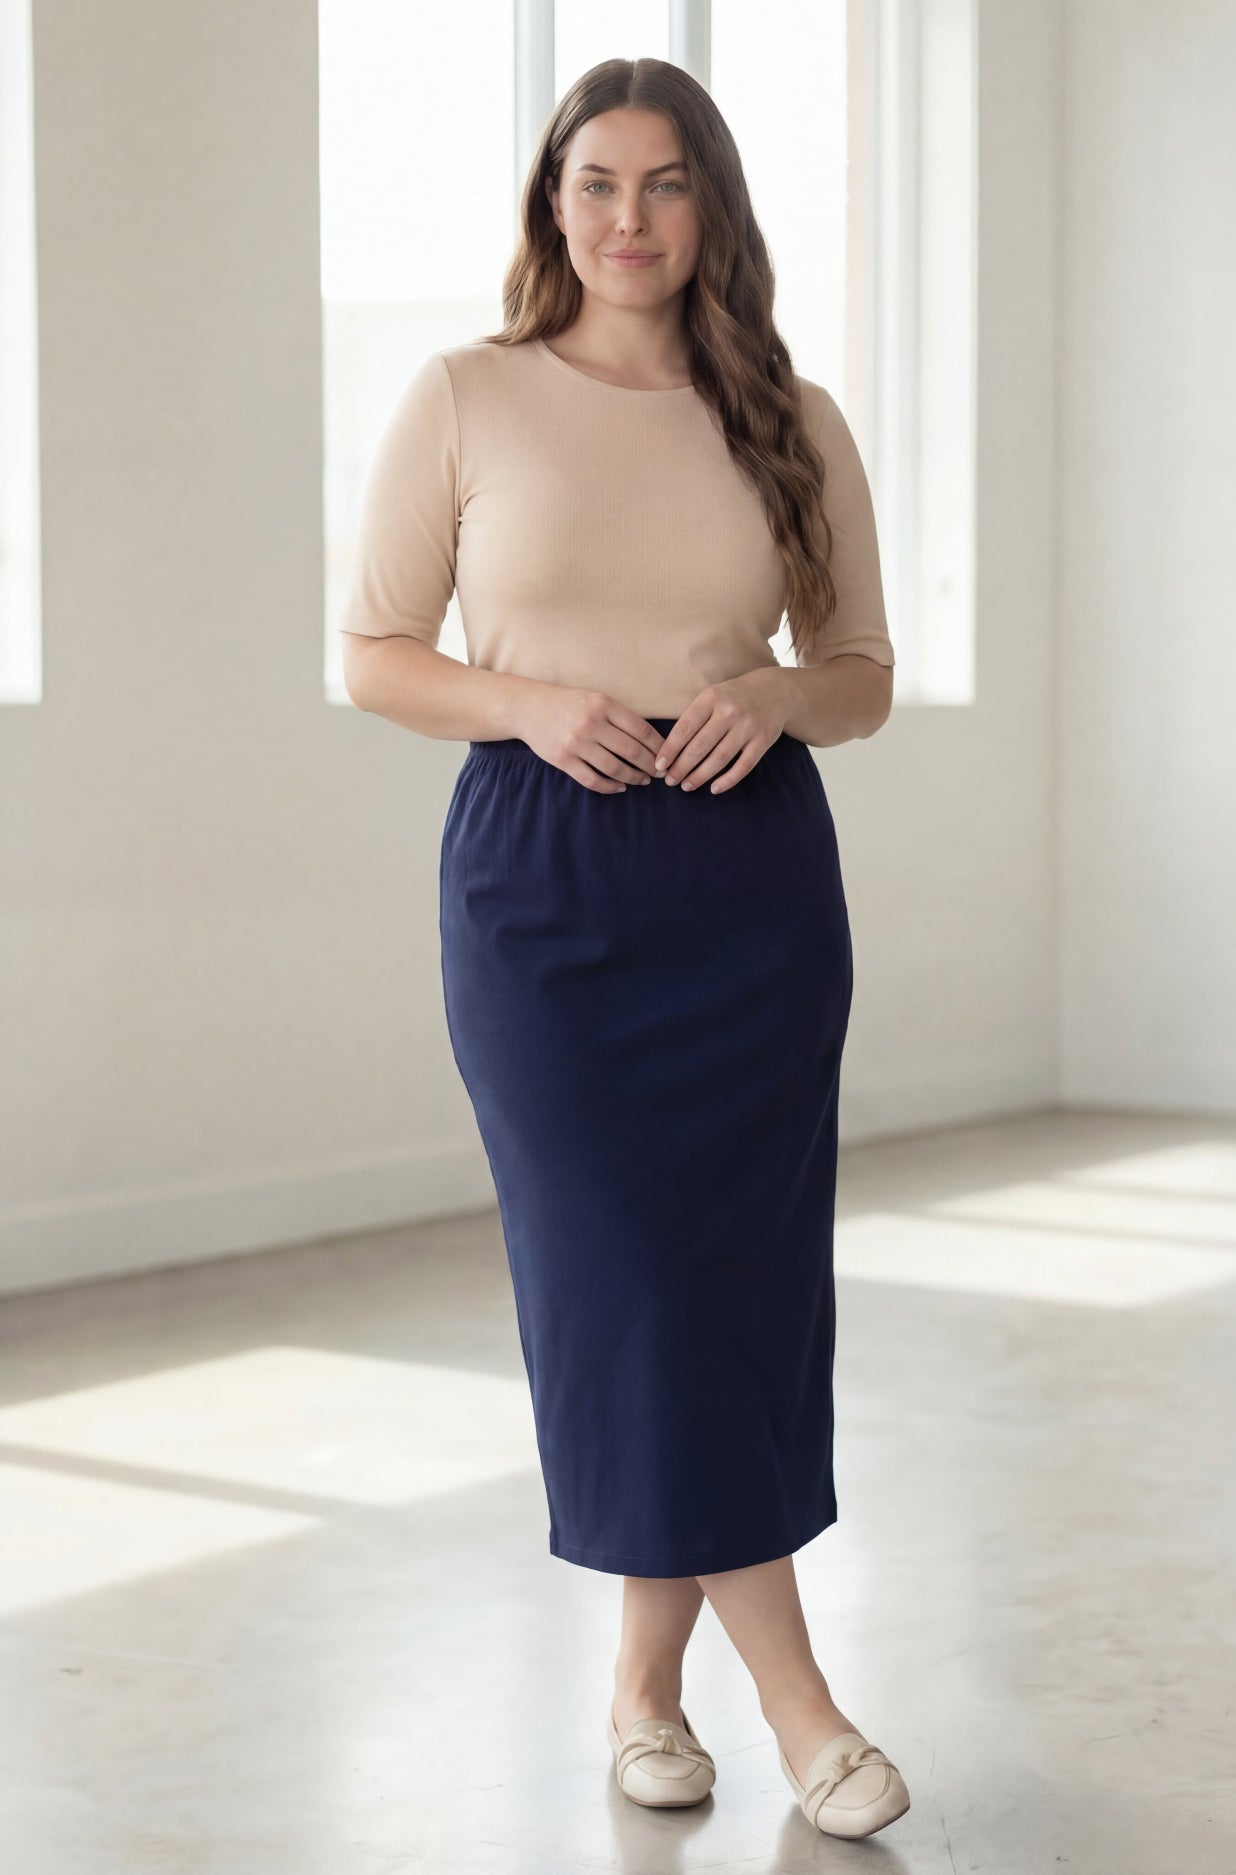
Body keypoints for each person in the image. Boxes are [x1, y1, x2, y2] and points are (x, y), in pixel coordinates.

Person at [340, 56, 909, 1844]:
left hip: (748, 883)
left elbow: (863, 673)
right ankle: (801, 1702)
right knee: (628, 1280)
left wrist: (772, 697)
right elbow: (372, 649)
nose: (628, 219)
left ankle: (645, 1692)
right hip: (544, 882)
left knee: (726, 1288)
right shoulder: (465, 396)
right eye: (595, 183)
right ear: (551, 202)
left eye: (665, 186)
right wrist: (528, 704)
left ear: (710, 208)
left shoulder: (791, 419)